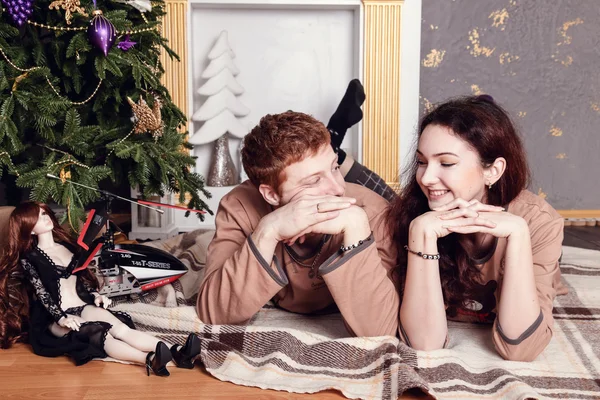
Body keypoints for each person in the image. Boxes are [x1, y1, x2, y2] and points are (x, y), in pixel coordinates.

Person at [387, 95, 565, 361]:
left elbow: (521, 349)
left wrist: (517, 236)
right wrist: (422, 236)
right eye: (422, 162)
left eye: (446, 163)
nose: (425, 177)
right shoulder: (411, 214)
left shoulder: (540, 222)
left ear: (493, 171)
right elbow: (424, 344)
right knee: (379, 196)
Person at [196, 108, 399, 337]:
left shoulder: (372, 212)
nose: (337, 188)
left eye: (334, 168)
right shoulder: (239, 206)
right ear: (271, 195)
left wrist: (356, 227)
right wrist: (267, 230)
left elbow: (381, 332)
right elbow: (213, 314)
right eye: (313, 181)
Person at [0, 201, 200, 375]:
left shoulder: (69, 247)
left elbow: (80, 281)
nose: (44, 218)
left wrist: (95, 295)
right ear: (30, 229)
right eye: (37, 217)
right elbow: (42, 293)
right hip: (56, 318)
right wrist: (62, 318)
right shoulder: (31, 259)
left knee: (120, 329)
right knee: (100, 334)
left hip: (82, 306)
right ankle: (149, 360)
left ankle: (178, 352)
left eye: (44, 213)